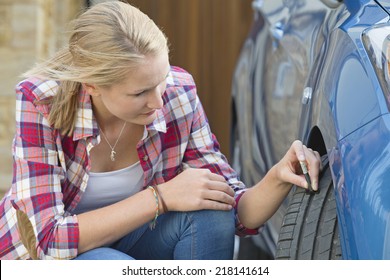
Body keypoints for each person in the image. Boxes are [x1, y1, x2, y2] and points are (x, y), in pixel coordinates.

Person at [0, 1, 321, 260]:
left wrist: (278, 177)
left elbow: (234, 209)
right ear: (93, 85)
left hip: (140, 241)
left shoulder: (177, 94)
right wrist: (160, 198)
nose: (157, 101)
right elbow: (48, 241)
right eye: (139, 93)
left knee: (211, 213)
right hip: (62, 259)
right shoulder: (41, 101)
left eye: (161, 81)